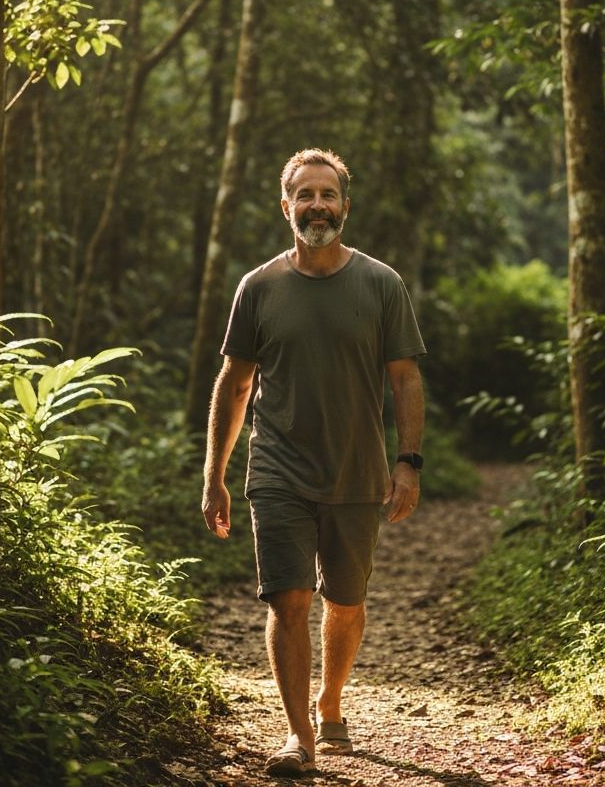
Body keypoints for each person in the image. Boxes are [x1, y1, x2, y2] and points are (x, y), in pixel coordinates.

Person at [201, 147, 426, 777]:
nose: (317, 205)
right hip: (276, 470)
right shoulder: (260, 287)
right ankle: (299, 736)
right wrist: (214, 475)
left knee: (346, 603)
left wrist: (408, 462)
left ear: (345, 207)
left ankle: (331, 700)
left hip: (357, 472)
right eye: (305, 195)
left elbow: (405, 379)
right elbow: (234, 383)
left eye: (327, 195)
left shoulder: (382, 285)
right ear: (286, 206)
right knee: (289, 600)